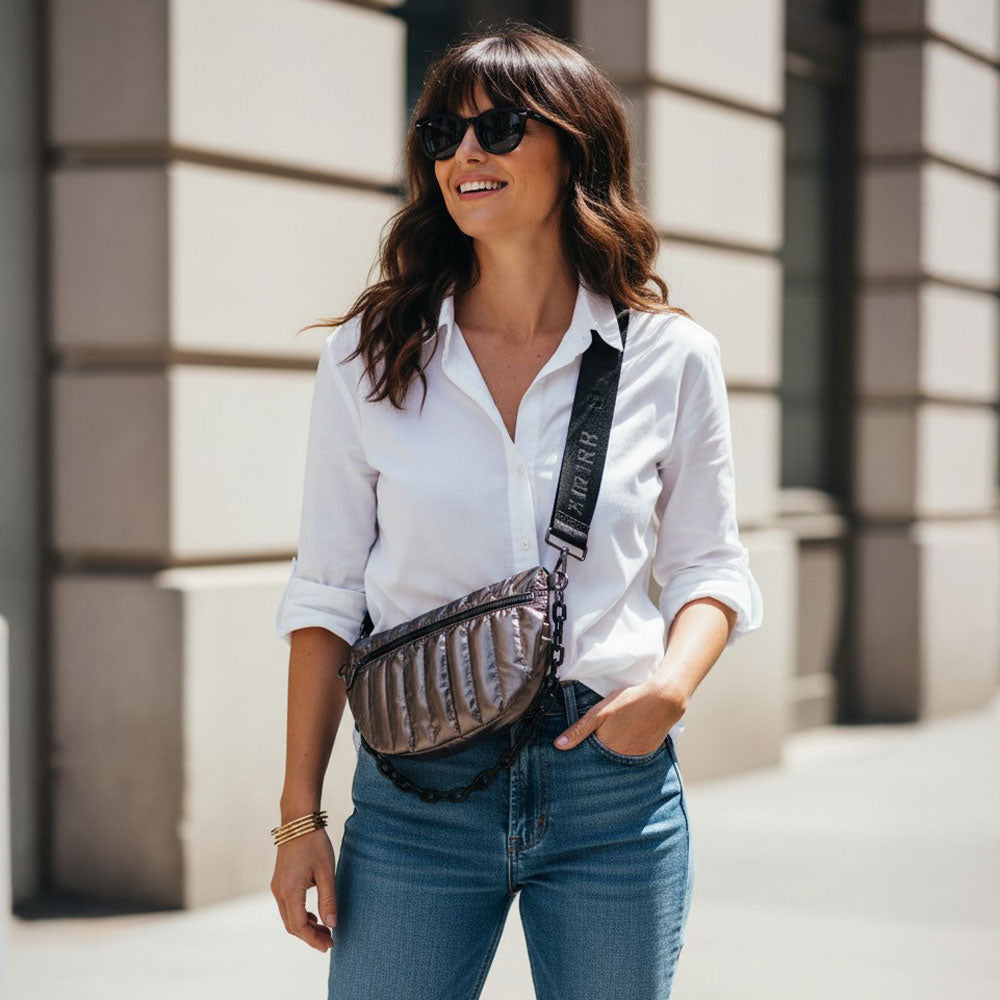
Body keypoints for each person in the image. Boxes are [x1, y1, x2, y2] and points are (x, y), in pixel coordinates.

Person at [270, 20, 763, 1000]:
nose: (464, 155)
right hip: (418, 792)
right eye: (442, 136)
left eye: (497, 126)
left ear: (573, 147)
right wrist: (298, 819)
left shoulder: (669, 358)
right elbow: (325, 593)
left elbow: (711, 566)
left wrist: (669, 687)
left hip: (608, 783)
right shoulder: (372, 358)